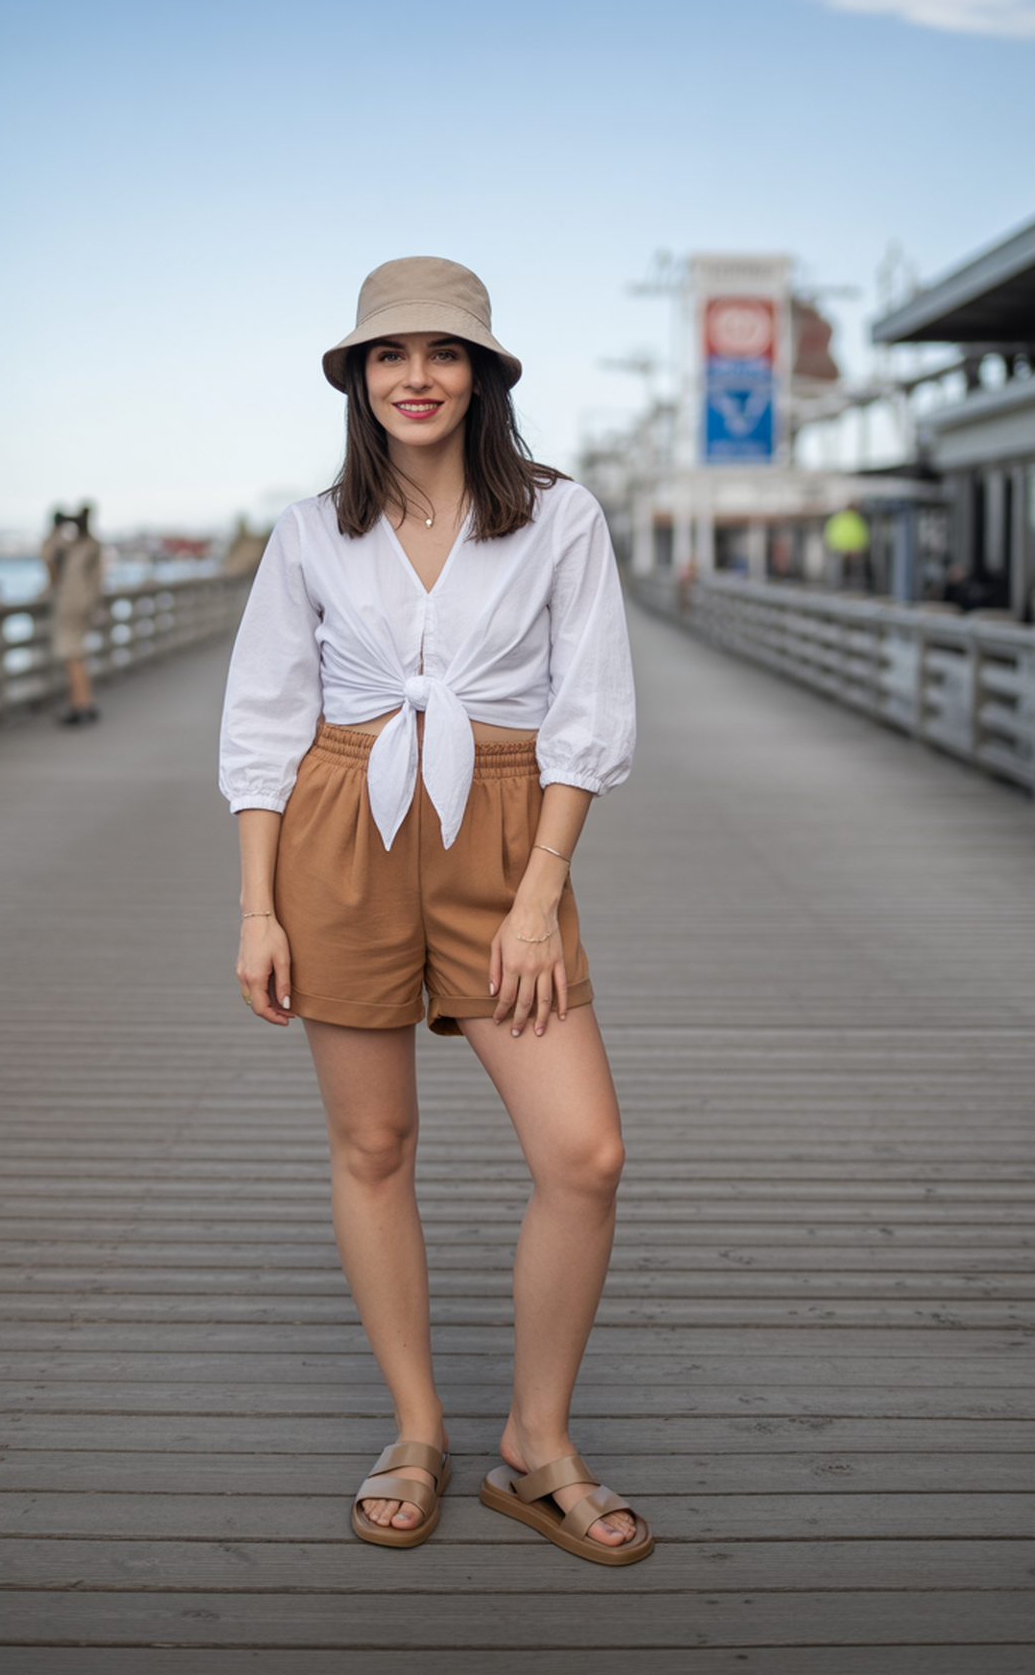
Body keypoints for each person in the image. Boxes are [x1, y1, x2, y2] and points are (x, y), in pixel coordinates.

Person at [219, 257, 652, 1566]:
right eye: (389, 354)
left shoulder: (559, 517)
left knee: (584, 1154)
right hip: (339, 831)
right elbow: (262, 722)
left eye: (444, 352)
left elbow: (590, 717)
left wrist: (538, 899)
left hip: (507, 836)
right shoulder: (311, 532)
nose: (416, 376)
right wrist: (258, 907)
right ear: (358, 377)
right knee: (375, 1145)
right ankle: (417, 1426)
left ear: (483, 376)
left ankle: (539, 1440)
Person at [41, 504, 103, 725]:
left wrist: (55, 530)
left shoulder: (75, 549)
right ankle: (85, 702)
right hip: (84, 606)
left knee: (72, 656)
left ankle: (80, 705)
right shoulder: (90, 546)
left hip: (70, 606)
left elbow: (48, 559)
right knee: (78, 655)